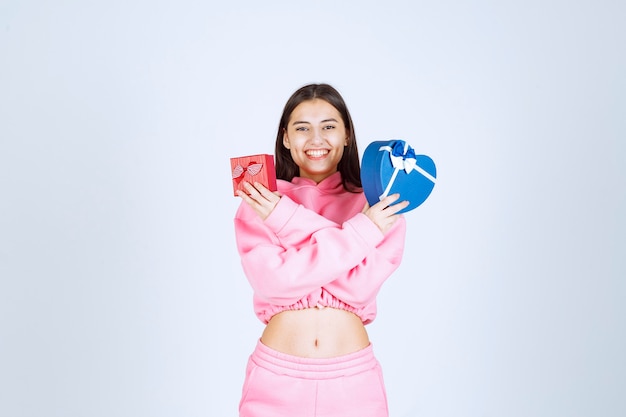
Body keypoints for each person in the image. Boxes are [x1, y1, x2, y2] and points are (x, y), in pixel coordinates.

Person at [233, 83, 408, 417]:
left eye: (328, 126)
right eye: (302, 128)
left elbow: (356, 289)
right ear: (285, 137)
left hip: (353, 384)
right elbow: (276, 285)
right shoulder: (259, 199)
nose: (316, 140)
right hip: (275, 381)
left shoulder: (380, 204)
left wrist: (284, 219)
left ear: (346, 135)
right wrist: (362, 232)